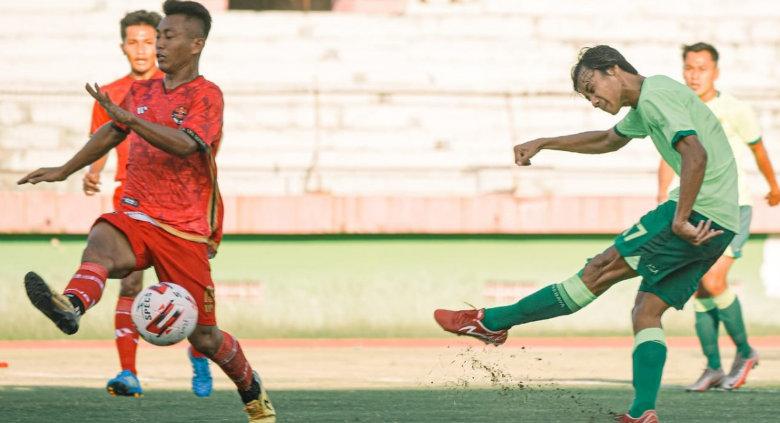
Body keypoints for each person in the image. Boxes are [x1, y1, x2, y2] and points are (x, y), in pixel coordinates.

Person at [434, 45, 739, 423]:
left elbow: (695, 153)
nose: (593, 101)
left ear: (613, 70)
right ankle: (642, 412)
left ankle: (492, 321)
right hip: (721, 223)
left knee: (600, 269)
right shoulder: (649, 101)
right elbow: (608, 140)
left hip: (696, 212)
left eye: (592, 89)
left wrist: (679, 219)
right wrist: (545, 142)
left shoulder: (655, 96)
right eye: (586, 97)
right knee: (647, 311)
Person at [18, 1, 275, 421]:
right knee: (101, 240)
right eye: (159, 37)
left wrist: (132, 122)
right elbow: (111, 131)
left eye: (169, 36)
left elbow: (186, 145)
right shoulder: (142, 91)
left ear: (196, 44)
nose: (159, 45)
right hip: (137, 212)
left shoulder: (207, 95)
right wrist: (65, 169)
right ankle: (72, 305)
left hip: (184, 229)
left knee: (206, 339)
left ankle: (252, 390)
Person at [83, 8, 213, 399]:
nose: (143, 49)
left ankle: (200, 352)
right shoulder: (111, 92)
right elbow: (105, 136)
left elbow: (193, 143)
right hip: (131, 193)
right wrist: (93, 171)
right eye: (133, 42)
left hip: (178, 205)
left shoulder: (183, 87)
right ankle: (128, 371)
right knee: (130, 281)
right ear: (122, 47)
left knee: (185, 289)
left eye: (149, 40)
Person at [657, 42, 779, 392]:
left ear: (716, 72)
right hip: (696, 208)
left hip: (733, 206)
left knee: (713, 280)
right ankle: (712, 367)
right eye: (689, 68)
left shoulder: (735, 109)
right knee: (700, 287)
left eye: (702, 68)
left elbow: (758, 149)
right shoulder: (678, 111)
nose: (694, 75)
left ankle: (745, 352)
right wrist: (663, 197)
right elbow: (667, 155)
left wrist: (774, 186)